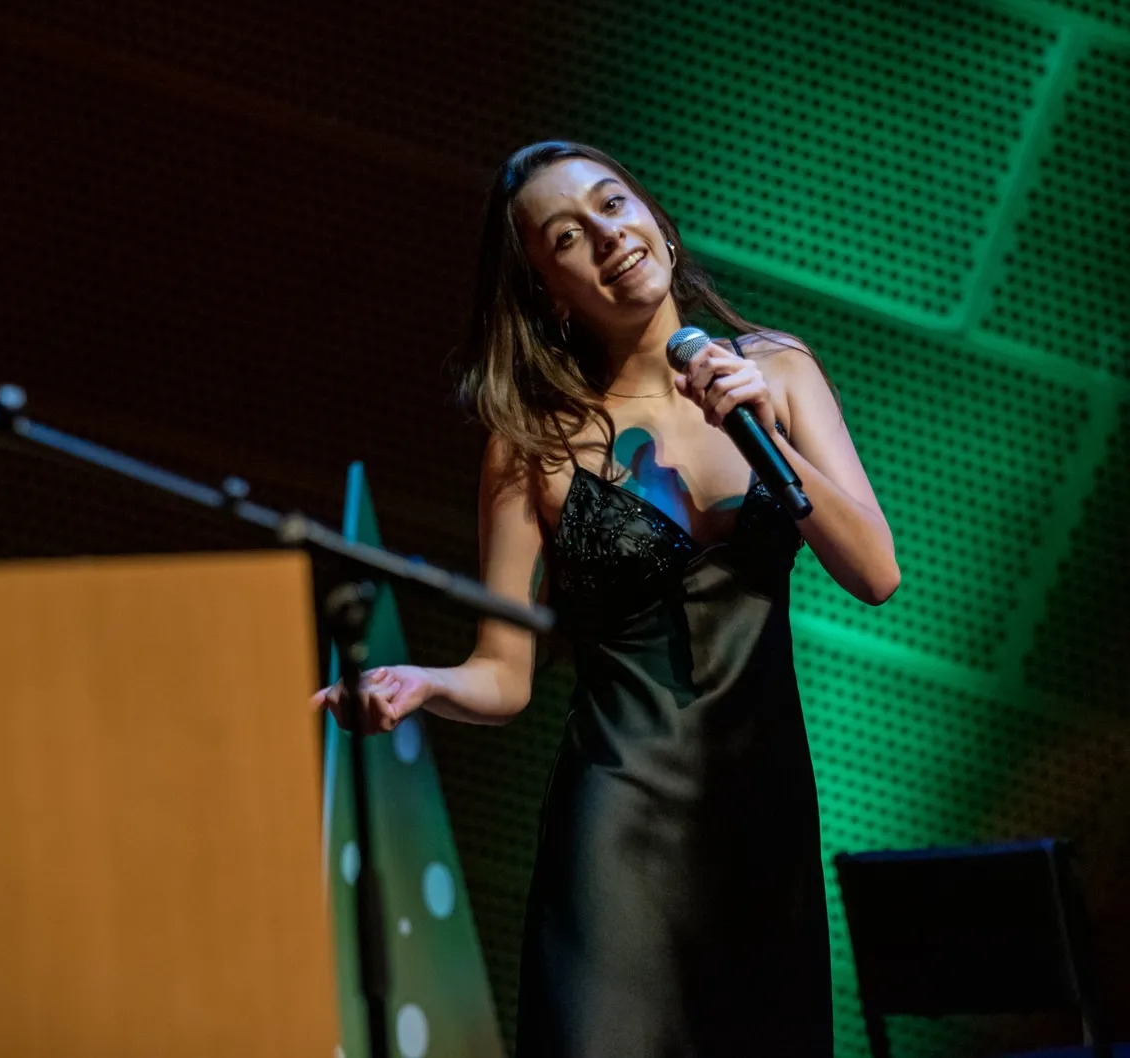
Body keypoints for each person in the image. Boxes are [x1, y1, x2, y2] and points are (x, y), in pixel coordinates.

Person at [314, 140, 900, 1056]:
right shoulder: (531, 444)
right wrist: (422, 685)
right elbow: (502, 673)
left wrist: (761, 437)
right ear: (550, 291)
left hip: (763, 825)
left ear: (655, 220)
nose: (607, 235)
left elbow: (874, 572)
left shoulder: (777, 372)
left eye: (613, 205)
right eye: (567, 236)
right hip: (619, 824)